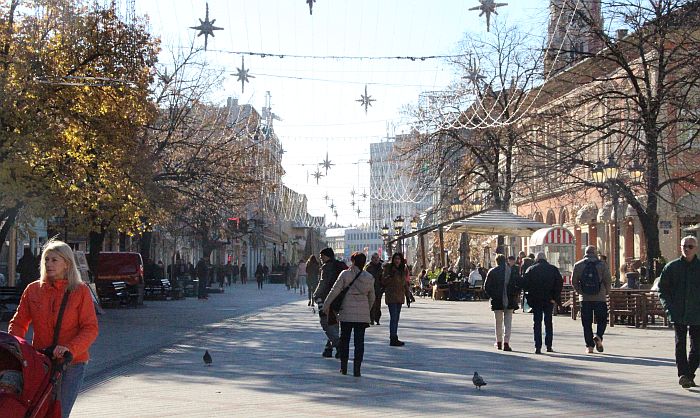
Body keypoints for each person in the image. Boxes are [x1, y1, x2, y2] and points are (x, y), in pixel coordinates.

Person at [9, 239, 99, 418]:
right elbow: (19, 323)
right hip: (41, 361)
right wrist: (17, 348)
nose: (49, 264)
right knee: (37, 411)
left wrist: (69, 349)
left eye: (54, 260)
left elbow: (90, 328)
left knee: (59, 413)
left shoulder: (79, 291)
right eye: (46, 260)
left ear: (67, 263)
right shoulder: (33, 290)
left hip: (71, 363)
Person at [323, 252, 375, 377]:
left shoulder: (345, 274)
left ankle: (344, 367)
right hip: (362, 315)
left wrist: (326, 305)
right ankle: (357, 369)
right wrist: (367, 310)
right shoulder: (369, 277)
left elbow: (334, 290)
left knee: (344, 340)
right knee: (359, 342)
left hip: (346, 312)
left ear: (353, 261)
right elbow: (372, 297)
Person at [658, 236, 700, 389]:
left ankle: (689, 374)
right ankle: (683, 374)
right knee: (680, 344)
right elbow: (662, 290)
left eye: (690, 246)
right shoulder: (672, 267)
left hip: (697, 313)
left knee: (697, 347)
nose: (686, 249)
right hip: (678, 312)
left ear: (695, 248)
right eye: (684, 246)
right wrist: (669, 308)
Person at [571, 245, 612, 354]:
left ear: (585, 252)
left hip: (585, 298)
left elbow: (574, 281)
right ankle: (598, 336)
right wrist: (606, 292)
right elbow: (608, 280)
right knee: (602, 319)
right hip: (600, 297)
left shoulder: (578, 265)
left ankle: (589, 346)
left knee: (586, 322)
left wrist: (579, 291)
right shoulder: (602, 265)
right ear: (595, 253)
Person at [522, 252, 563, 354]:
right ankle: (548, 345)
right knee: (548, 322)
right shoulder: (553, 269)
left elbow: (525, 285)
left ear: (536, 259)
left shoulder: (531, 269)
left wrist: (529, 299)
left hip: (536, 300)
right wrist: (554, 298)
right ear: (546, 258)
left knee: (537, 323)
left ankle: (538, 346)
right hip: (549, 300)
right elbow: (559, 284)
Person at [313, 248, 347, 358]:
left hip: (327, 298)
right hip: (339, 298)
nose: (320, 258)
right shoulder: (339, 265)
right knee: (333, 324)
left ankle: (339, 346)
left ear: (327, 256)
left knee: (325, 323)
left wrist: (316, 295)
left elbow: (323, 282)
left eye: (322, 256)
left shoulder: (327, 267)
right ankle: (329, 349)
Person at [484, 254, 521, 351]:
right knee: (508, 323)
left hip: (497, 300)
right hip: (510, 300)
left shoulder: (492, 272)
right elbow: (518, 283)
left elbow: (486, 287)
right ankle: (506, 342)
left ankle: (499, 342)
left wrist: (493, 296)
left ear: (496, 261)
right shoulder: (511, 271)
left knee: (498, 322)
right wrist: (515, 295)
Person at [381, 252, 410, 347]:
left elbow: (404, 283)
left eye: (399, 259)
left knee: (396, 318)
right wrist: (391, 275)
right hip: (391, 296)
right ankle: (393, 338)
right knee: (393, 318)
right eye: (395, 258)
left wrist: (408, 295)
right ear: (393, 259)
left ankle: (394, 336)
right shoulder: (388, 268)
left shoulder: (403, 269)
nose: (397, 260)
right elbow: (383, 281)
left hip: (400, 296)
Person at [365, 253, 383, 325]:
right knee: (371, 304)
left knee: (378, 305)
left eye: (377, 257)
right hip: (370, 288)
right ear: (372, 259)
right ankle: (371, 319)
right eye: (374, 258)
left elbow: (382, 278)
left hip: (378, 288)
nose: (376, 259)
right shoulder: (368, 267)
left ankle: (377, 319)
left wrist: (383, 286)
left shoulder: (381, 267)